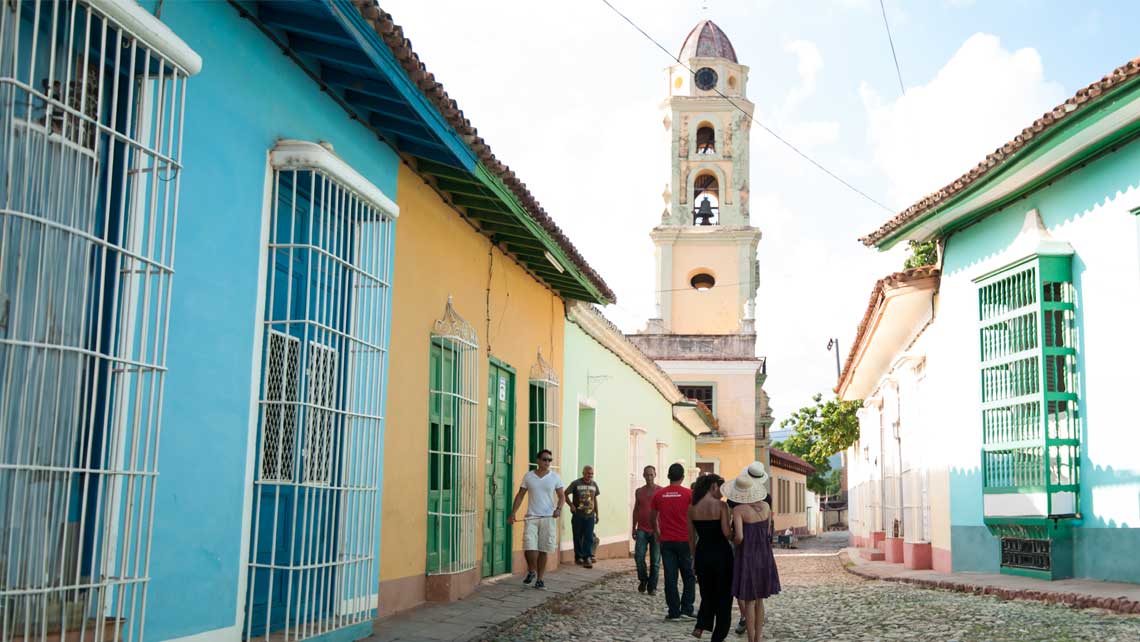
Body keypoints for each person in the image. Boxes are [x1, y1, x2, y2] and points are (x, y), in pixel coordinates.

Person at [725, 466, 781, 642]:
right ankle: (759, 637)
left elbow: (740, 537)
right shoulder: (765, 506)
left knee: (749, 600)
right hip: (764, 555)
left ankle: (751, 639)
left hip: (747, 556)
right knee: (760, 600)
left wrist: (732, 538)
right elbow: (768, 531)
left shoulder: (738, 510)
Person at [508, 449, 564, 590]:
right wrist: (513, 512)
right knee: (529, 547)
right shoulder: (529, 476)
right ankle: (532, 570)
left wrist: (558, 509)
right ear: (538, 460)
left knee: (543, 549)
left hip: (548, 517)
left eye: (549, 460)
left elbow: (562, 496)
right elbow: (520, 495)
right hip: (531, 516)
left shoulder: (555, 477)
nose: (547, 462)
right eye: (545, 459)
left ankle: (540, 579)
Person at [688, 474, 733, 642]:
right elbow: (726, 533)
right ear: (713, 486)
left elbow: (691, 539)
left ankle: (701, 625)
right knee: (724, 597)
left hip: (702, 554)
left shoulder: (691, 508)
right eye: (720, 489)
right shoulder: (721, 506)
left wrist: (694, 559)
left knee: (707, 593)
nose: (722, 493)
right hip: (722, 555)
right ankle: (717, 637)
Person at [650, 462, 696, 621]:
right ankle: (687, 609)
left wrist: (657, 532)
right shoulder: (689, 494)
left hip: (667, 541)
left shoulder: (659, 494)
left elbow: (652, 517)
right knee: (688, 576)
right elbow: (694, 518)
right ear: (683, 477)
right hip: (684, 541)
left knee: (670, 577)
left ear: (668, 476)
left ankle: (674, 611)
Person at [632, 464, 661, 595]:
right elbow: (636, 509)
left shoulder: (660, 491)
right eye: (647, 474)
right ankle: (643, 580)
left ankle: (652, 586)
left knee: (655, 561)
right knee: (639, 556)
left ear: (655, 475)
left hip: (656, 530)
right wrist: (633, 527)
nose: (649, 477)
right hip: (642, 529)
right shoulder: (639, 491)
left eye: (651, 474)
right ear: (643, 475)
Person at [566, 465, 600, 568]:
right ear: (583, 473)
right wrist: (571, 505)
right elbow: (565, 494)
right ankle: (578, 557)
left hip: (590, 515)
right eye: (588, 473)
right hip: (578, 515)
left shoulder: (594, 484)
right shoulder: (576, 483)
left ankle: (587, 557)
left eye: (591, 474)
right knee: (577, 536)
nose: (590, 475)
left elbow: (595, 500)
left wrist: (597, 513)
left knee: (589, 537)